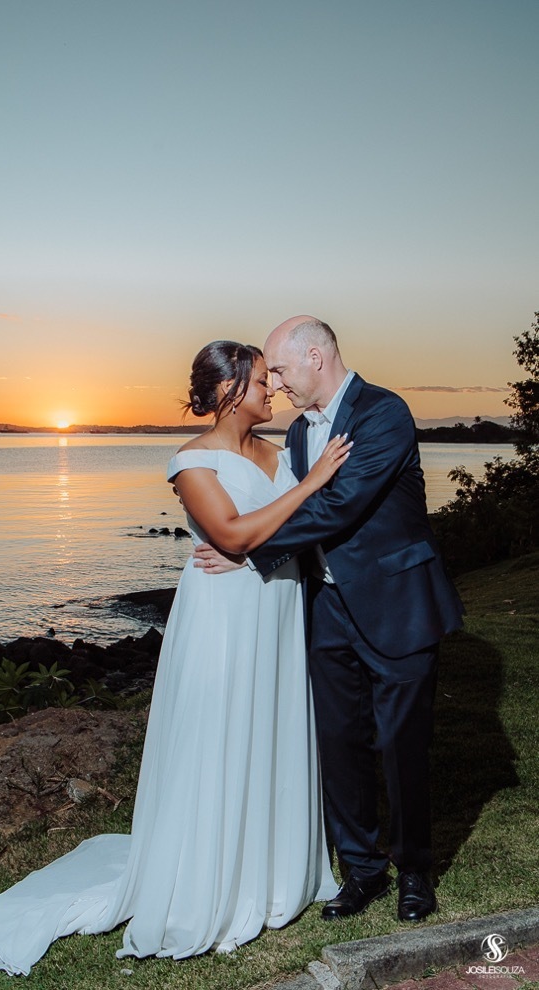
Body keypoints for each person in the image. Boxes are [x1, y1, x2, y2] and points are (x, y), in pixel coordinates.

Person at [0, 341, 349, 974]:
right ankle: (214, 876)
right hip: (223, 616)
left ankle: (274, 869)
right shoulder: (191, 462)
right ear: (227, 391)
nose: (270, 389)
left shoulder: (281, 454)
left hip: (277, 609)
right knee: (220, 733)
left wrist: (287, 515)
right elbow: (232, 535)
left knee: (270, 728)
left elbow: (296, 529)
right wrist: (306, 489)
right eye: (258, 381)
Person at [195, 317, 464, 923]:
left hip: (397, 603)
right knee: (338, 743)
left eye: (282, 370)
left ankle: (414, 872)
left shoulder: (383, 414)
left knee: (401, 746)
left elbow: (339, 507)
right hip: (327, 608)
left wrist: (246, 551)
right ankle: (361, 870)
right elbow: (292, 504)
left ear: (315, 357)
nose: (278, 383)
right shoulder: (295, 435)